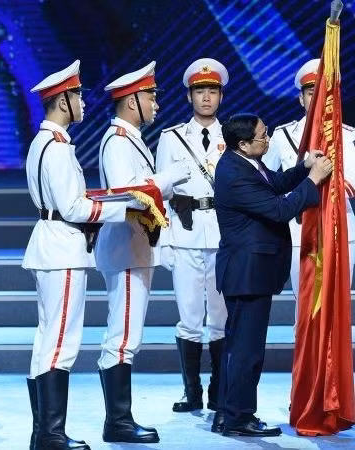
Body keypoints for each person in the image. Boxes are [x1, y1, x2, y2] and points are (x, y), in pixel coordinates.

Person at [22, 60, 147, 450]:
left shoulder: (47, 142)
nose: (83, 102)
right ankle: (50, 433)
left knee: (48, 340)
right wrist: (126, 208)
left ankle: (45, 431)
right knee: (61, 342)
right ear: (62, 101)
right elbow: (73, 208)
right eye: (76, 95)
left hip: (55, 245)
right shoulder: (56, 147)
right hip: (62, 247)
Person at [212, 113, 332, 436]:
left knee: (239, 346)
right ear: (243, 144)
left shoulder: (246, 164)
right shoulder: (234, 174)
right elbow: (279, 208)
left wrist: (303, 167)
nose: (268, 140)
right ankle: (240, 417)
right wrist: (314, 181)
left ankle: (226, 412)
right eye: (262, 136)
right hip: (247, 273)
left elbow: (274, 184)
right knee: (247, 350)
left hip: (249, 271)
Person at [94, 61, 191, 443]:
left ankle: (120, 418)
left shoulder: (129, 138)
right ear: (132, 101)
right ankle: (118, 421)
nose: (155, 104)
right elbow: (125, 191)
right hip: (126, 247)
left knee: (126, 334)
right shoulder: (118, 140)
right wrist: (166, 179)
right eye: (150, 96)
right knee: (122, 336)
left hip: (135, 246)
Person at [155, 58, 228, 414]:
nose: (206, 98)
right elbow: (159, 193)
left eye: (212, 91)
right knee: (188, 316)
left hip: (222, 234)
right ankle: (192, 391)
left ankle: (218, 390)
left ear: (220, 95)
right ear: (189, 96)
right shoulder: (170, 138)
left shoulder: (232, 135)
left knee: (220, 316)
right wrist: (163, 240)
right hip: (183, 233)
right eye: (200, 91)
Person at [263, 58, 355, 297]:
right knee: (305, 300)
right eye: (311, 93)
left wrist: (310, 183)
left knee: (336, 300)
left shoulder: (348, 135)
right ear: (301, 99)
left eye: (323, 93)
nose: (317, 99)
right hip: (297, 228)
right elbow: (265, 181)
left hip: (338, 225)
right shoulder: (282, 135)